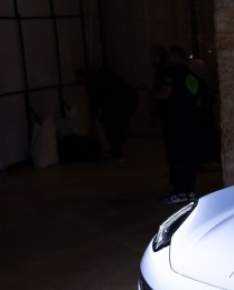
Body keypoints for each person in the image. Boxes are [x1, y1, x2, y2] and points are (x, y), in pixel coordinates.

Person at [151, 45, 203, 204]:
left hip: (175, 122)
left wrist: (151, 94)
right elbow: (198, 99)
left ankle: (180, 191)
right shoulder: (191, 75)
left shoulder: (171, 73)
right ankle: (190, 191)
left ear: (173, 56)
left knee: (177, 157)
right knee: (190, 157)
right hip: (192, 122)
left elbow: (164, 94)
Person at [75, 66, 139, 161]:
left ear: (83, 75)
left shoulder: (92, 81)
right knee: (116, 124)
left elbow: (94, 102)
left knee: (112, 124)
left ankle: (117, 152)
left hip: (122, 101)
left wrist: (92, 120)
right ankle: (116, 149)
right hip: (127, 99)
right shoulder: (100, 74)